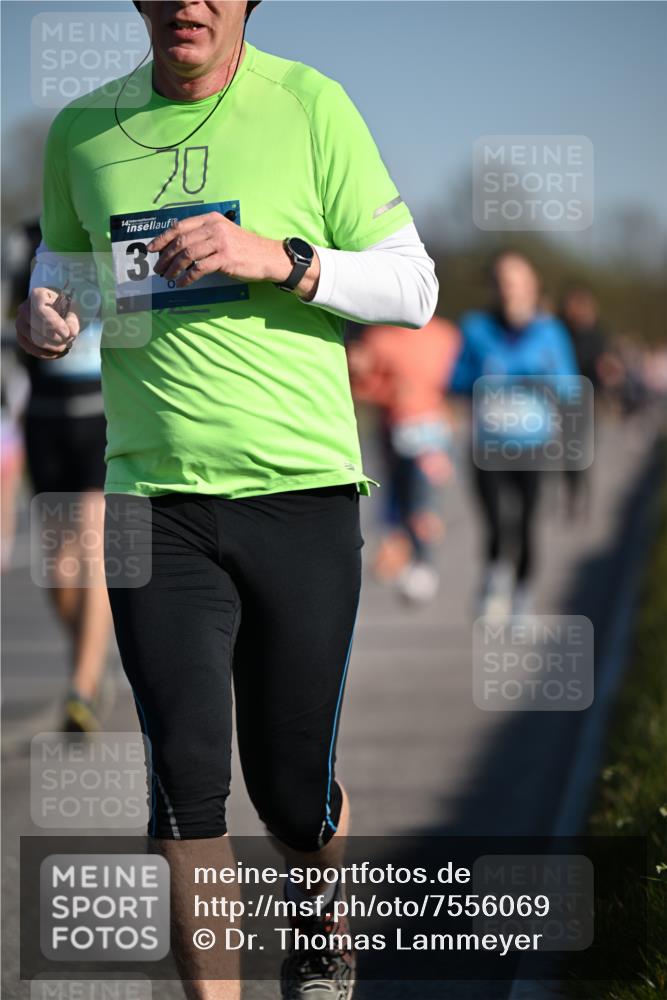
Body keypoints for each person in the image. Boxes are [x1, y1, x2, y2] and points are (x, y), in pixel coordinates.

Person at [16, 3, 438, 998]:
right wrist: (43, 312)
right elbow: (63, 271)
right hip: (152, 499)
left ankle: (318, 921)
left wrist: (281, 259)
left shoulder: (310, 106)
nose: (189, 5)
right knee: (184, 779)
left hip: (301, 495)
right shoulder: (83, 130)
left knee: (290, 792)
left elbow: (413, 288)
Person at [10, 220, 112, 731]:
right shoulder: (28, 242)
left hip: (102, 413)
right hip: (46, 419)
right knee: (59, 568)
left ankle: (82, 687)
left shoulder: (113, 228)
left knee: (93, 548)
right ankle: (89, 657)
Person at [451, 251, 579, 617]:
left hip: (532, 444)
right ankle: (494, 576)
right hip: (487, 445)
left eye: (517, 282)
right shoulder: (475, 328)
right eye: (502, 281)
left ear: (533, 286)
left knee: (525, 523)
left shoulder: (550, 332)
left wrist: (540, 375)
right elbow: (456, 380)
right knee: (494, 521)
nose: (509, 289)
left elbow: (570, 387)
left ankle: (523, 594)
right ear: (492, 286)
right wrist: (485, 378)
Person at [348, 316, 460, 603]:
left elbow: (460, 379)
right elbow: (360, 387)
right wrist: (387, 391)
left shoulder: (444, 336)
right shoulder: (379, 338)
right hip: (393, 432)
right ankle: (401, 556)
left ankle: (424, 565)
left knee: (424, 499)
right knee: (397, 499)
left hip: (432, 433)